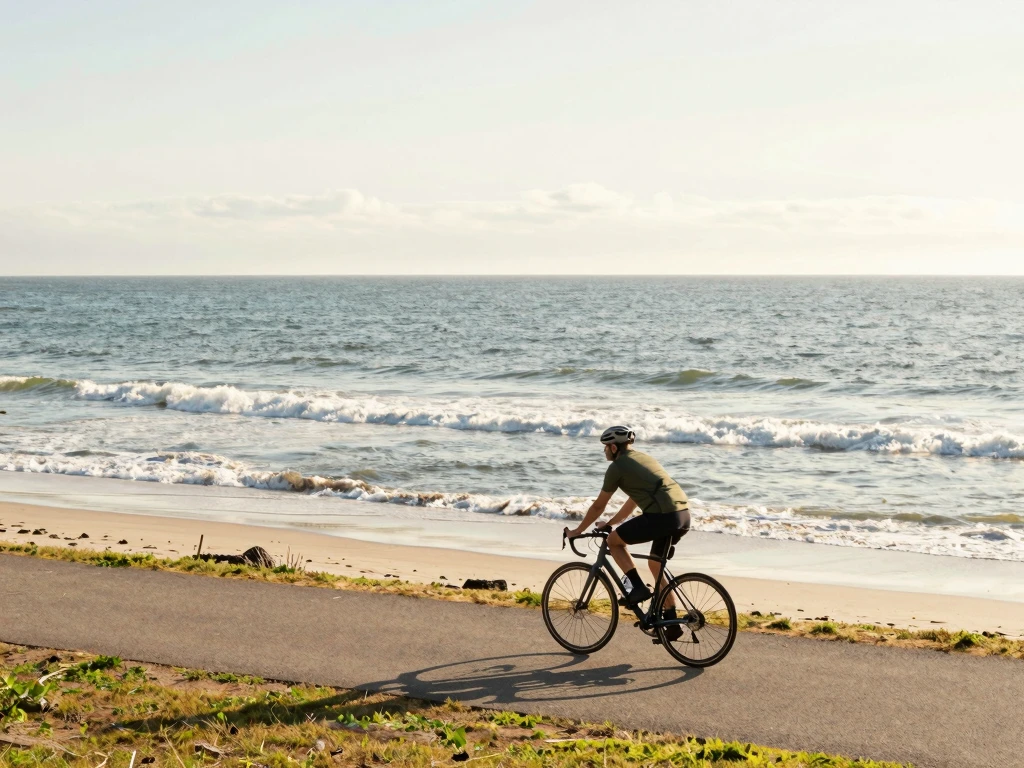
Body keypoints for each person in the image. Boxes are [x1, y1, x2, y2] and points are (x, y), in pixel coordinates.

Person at [565, 425, 691, 639]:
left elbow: (598, 506)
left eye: (605, 447)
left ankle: (638, 588)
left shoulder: (617, 467)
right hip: (682, 514)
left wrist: (577, 530)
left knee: (614, 542)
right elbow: (633, 500)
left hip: (662, 516)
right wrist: (611, 522)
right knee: (655, 564)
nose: (604, 451)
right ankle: (671, 623)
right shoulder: (643, 459)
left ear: (614, 447)